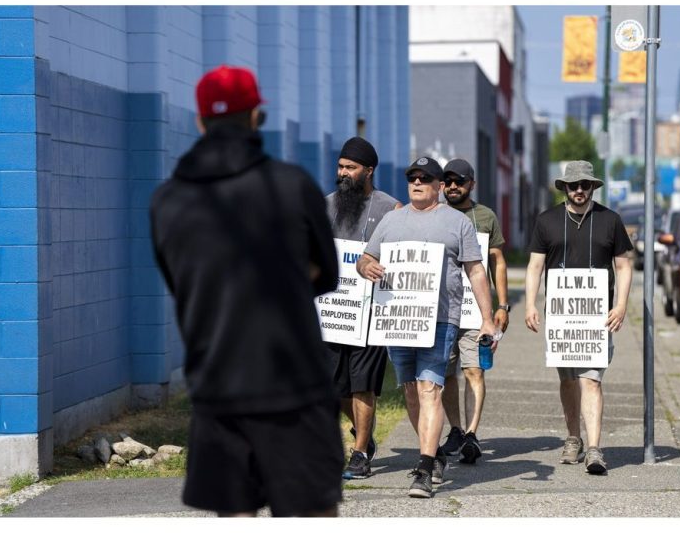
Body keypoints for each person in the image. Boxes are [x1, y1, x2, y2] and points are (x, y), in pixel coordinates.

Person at [150, 65, 343, 516]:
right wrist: (284, 276)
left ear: (200, 122)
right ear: (257, 116)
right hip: (295, 388)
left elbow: (185, 284)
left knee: (234, 519)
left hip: (217, 388)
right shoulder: (292, 185)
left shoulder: (166, 201)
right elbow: (327, 276)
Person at [356, 156, 497, 498]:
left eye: (425, 178)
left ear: (437, 185)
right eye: (412, 177)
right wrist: (367, 267)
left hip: (440, 320)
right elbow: (366, 258)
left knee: (429, 388)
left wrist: (488, 318)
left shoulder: (456, 223)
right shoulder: (391, 221)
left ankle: (423, 466)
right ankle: (431, 455)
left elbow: (476, 271)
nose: (417, 182)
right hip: (399, 319)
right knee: (410, 390)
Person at [524, 160, 633, 475]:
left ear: (593, 187)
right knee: (568, 379)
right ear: (565, 188)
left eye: (585, 185)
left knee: (591, 380)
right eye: (574, 185)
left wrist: (621, 305)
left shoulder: (610, 221)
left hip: (597, 319)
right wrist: (530, 304)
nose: (580, 190)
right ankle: (573, 437)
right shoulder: (547, 221)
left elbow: (624, 266)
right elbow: (534, 266)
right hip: (561, 318)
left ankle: (595, 448)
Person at [325, 136, 401, 479]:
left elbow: (406, 257)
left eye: (350, 168)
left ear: (368, 171)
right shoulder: (325, 206)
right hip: (332, 312)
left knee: (362, 385)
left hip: (370, 313)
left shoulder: (391, 209)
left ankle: (359, 455)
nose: (343, 173)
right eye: (340, 166)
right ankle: (364, 435)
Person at [439, 158, 510, 464]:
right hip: (441, 310)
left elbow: (497, 260)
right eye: (448, 181)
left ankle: (471, 434)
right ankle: (454, 429)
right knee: (444, 373)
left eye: (460, 181)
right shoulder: (434, 213)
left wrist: (502, 305)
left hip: (474, 310)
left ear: (472, 184)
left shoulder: (484, 217)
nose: (453, 186)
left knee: (473, 369)